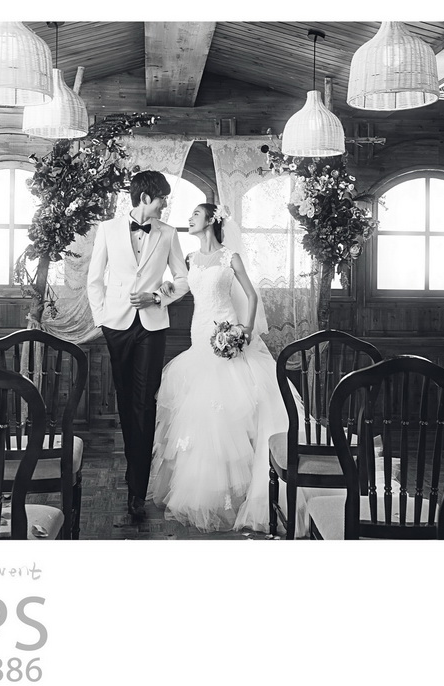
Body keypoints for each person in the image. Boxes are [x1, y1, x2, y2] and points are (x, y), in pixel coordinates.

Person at [148, 203, 311, 535]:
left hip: (226, 332)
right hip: (199, 337)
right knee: (199, 410)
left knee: (230, 406)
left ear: (211, 220)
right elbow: (181, 288)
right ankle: (205, 487)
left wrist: (245, 331)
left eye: (195, 215)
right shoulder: (191, 259)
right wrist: (163, 291)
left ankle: (242, 489)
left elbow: (251, 296)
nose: (189, 219)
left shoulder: (229, 257)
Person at [87, 171, 190, 521]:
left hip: (152, 327)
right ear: (146, 197)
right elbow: (94, 280)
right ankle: (134, 472)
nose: (165, 205)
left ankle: (136, 490)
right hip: (116, 326)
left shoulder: (168, 233)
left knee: (145, 403)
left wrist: (157, 296)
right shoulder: (107, 229)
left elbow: (183, 280)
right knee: (126, 401)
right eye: (162, 198)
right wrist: (102, 319)